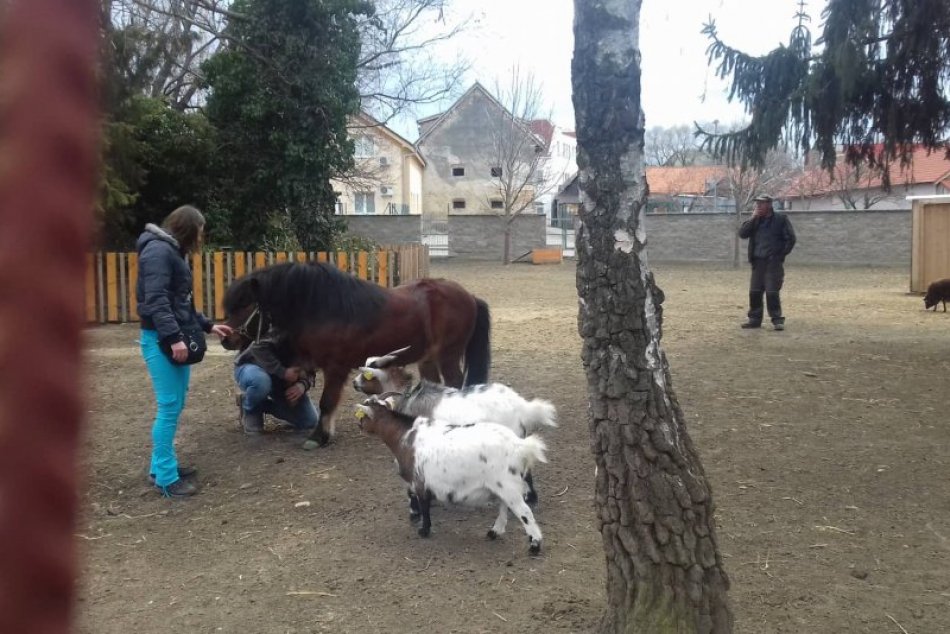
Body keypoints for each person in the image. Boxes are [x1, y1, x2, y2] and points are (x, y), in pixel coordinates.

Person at [136, 206, 232, 497]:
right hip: (161, 339)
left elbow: (181, 303)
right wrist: (174, 338)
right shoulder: (158, 252)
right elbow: (156, 300)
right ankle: (166, 479)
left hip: (170, 336)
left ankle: (160, 467)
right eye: (200, 231)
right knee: (168, 406)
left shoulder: (172, 252)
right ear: (189, 229)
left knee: (175, 404)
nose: (201, 237)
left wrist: (208, 325)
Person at [234, 332, 320, 436]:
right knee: (261, 382)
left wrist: (302, 385)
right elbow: (257, 347)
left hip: (280, 379)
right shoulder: (286, 328)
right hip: (254, 365)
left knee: (309, 420)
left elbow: (311, 371)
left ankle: (258, 404)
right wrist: (283, 372)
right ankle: (252, 410)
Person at [738, 194, 797, 330]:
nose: (758, 206)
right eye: (757, 203)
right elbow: (742, 234)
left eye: (761, 203)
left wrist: (780, 255)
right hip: (758, 262)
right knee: (755, 292)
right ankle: (754, 320)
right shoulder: (755, 221)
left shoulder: (781, 219)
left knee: (772, 292)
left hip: (773, 262)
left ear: (769, 205)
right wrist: (753, 218)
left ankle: (777, 320)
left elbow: (791, 239)